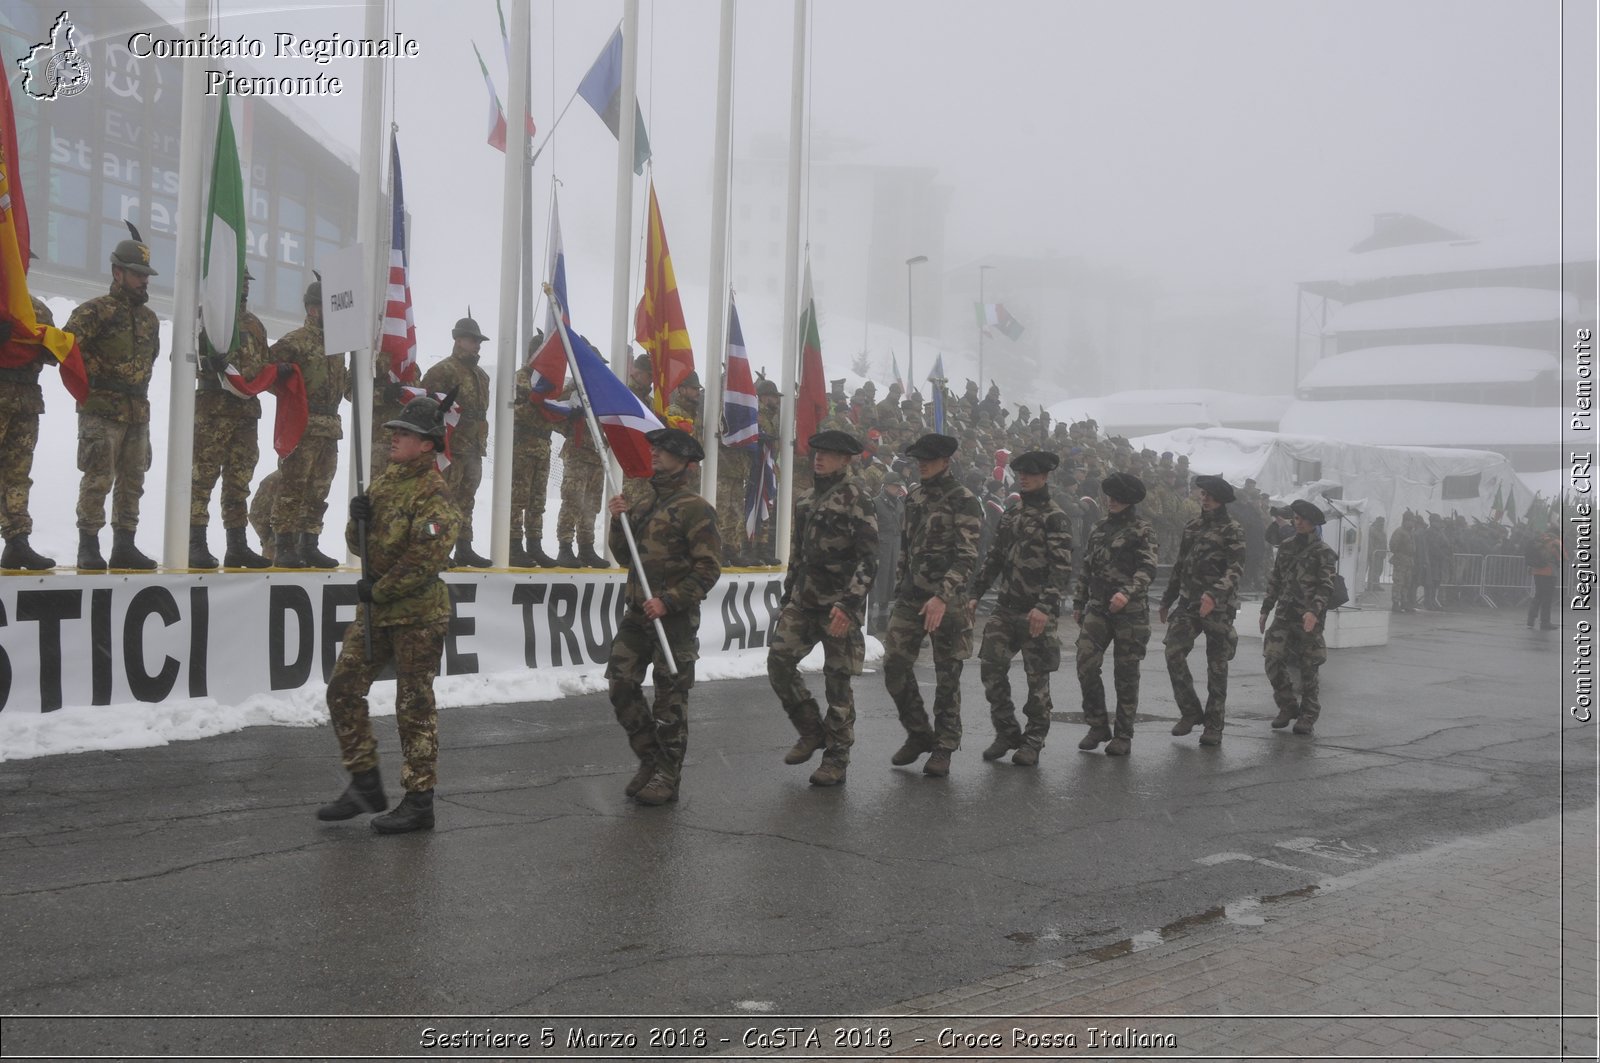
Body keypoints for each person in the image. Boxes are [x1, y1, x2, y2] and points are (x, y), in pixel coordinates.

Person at [316, 394, 461, 833]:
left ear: (428, 444)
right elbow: (361, 544)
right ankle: (365, 784)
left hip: (417, 615)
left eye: (405, 433)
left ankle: (419, 801)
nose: (394, 438)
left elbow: (425, 558)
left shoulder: (434, 493)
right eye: (394, 432)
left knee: (413, 706)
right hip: (377, 610)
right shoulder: (383, 483)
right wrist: (354, 519)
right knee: (342, 689)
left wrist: (379, 590)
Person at [605, 427, 722, 806]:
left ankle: (667, 777)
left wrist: (669, 601)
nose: (654, 453)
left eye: (664, 450)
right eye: (654, 448)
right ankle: (651, 759)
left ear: (684, 461)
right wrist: (616, 521)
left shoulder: (695, 508)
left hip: (672, 620)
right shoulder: (642, 502)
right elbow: (626, 557)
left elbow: (708, 569)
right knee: (621, 685)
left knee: (670, 701)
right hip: (637, 613)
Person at [768, 430, 879, 787]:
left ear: (846, 460)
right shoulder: (805, 500)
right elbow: (797, 556)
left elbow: (869, 559)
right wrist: (788, 598)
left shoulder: (858, 498)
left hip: (838, 608)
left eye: (828, 454)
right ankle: (810, 729)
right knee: (779, 661)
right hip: (804, 601)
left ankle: (836, 757)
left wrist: (849, 605)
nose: (819, 458)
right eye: (817, 452)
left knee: (838, 685)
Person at [882, 433, 983, 777]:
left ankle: (944, 746)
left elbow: (968, 555)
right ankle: (918, 732)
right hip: (912, 597)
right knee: (894, 664)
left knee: (947, 674)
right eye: (918, 459)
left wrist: (943, 595)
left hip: (948, 601)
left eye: (929, 459)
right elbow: (907, 547)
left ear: (946, 461)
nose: (922, 464)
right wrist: (901, 587)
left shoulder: (964, 500)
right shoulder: (914, 497)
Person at [968, 450, 1073, 767]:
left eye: (1030, 474)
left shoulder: (1055, 517)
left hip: (1036, 612)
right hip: (1006, 607)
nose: (1023, 478)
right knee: (991, 669)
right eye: (1020, 473)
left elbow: (1062, 568)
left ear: (1044, 477)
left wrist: (1045, 605)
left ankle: (1033, 740)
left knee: (1037, 680)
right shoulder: (1012, 514)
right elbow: (995, 558)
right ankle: (1007, 731)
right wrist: (975, 593)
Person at [68, 229, 161, 570]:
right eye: (137, 274)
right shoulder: (94, 312)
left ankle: (125, 543)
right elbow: (66, 352)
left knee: (133, 480)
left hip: (137, 411)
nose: (143, 282)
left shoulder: (150, 321)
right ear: (117, 272)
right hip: (101, 410)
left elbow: (149, 363)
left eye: (145, 276)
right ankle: (88, 544)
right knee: (97, 478)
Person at [1073, 472, 1159, 756]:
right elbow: (1087, 565)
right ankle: (1097, 724)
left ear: (1128, 501)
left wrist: (1127, 592)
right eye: (1109, 497)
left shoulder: (1142, 530)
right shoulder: (1099, 528)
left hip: (1130, 613)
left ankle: (1123, 734)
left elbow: (1147, 569)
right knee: (1085, 663)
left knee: (1126, 673)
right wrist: (1078, 600)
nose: (1110, 502)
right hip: (1098, 608)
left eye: (1116, 498)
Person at [190, 269, 271, 569]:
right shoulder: (204, 318)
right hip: (212, 409)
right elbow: (181, 359)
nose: (245, 287)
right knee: (202, 477)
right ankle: (195, 542)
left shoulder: (255, 325)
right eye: (241, 281)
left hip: (246, 413)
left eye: (248, 282)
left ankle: (236, 545)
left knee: (239, 480)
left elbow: (264, 365)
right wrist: (205, 357)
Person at [1160, 474, 1246, 747]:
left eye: (1209, 495)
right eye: (1202, 494)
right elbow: (1180, 564)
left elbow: (1235, 569)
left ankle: (1213, 725)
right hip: (1188, 602)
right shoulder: (1193, 526)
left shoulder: (1232, 529)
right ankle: (1190, 711)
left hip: (1218, 607)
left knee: (1216, 667)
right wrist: (1167, 598)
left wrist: (1214, 594)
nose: (1204, 498)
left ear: (1220, 499)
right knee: (1173, 652)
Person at [269, 279, 346, 569]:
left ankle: (309, 542)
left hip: (330, 426)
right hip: (304, 424)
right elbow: (268, 372)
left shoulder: (338, 346)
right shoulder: (296, 341)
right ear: (314, 309)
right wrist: (288, 396)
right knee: (293, 485)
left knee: (319, 488)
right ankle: (284, 544)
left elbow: (345, 385)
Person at [1260, 499, 1338, 735]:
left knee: (1308, 667)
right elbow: (1276, 580)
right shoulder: (1286, 546)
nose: (1299, 522)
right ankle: (1287, 705)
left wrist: (1314, 612)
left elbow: (1325, 587)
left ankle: (1308, 714)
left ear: (1313, 523)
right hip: (1284, 613)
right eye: (1296, 518)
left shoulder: (1324, 553)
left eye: (1304, 519)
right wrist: (1265, 609)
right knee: (1272, 659)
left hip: (1308, 617)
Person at [421, 315, 493, 568]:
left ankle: (463, 547)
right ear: (458, 340)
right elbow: (426, 407)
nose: (477, 345)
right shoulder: (442, 371)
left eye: (479, 341)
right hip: (449, 449)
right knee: (440, 502)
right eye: (473, 340)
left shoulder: (482, 376)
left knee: (466, 500)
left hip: (473, 447)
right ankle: (434, 549)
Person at [0, 295, 61, 571]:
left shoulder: (37, 309)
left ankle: (17, 542)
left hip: (25, 401)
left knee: (17, 476)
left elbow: (54, 353)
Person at [510, 337, 558, 568]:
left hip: (542, 446)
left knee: (537, 500)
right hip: (523, 446)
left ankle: (534, 544)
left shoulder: (551, 381)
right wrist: (534, 399)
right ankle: (513, 544)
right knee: (517, 497)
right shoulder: (521, 378)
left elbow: (554, 416)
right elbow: (515, 414)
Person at [1526, 528, 1563, 630]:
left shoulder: (1538, 540)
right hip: (1549, 572)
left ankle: (1530, 621)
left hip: (1536, 571)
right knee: (1547, 598)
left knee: (1538, 595)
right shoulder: (1555, 542)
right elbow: (1563, 557)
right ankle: (1545, 622)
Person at [1388, 514, 1417, 613]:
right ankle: (1396, 603)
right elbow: (1393, 546)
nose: (1413, 523)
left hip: (1408, 561)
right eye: (1411, 521)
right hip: (1401, 561)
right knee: (1398, 582)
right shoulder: (1399, 532)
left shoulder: (1410, 533)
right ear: (1405, 521)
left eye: (1413, 521)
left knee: (1407, 583)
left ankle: (1404, 602)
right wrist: (1400, 554)